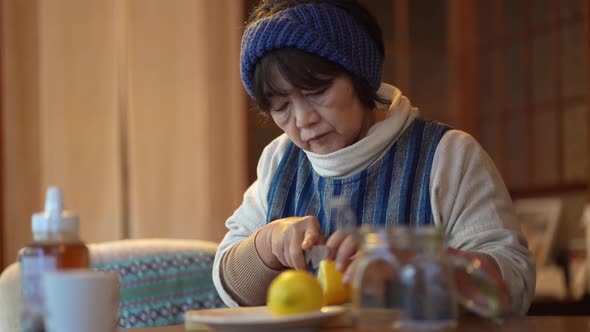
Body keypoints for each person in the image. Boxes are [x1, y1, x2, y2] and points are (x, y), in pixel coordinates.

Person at [212, 0, 535, 315]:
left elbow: (514, 285)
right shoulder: (280, 159)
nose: (302, 120)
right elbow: (229, 286)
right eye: (281, 106)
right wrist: (266, 245)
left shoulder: (446, 155)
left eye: (316, 92)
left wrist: (416, 266)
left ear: (360, 76)